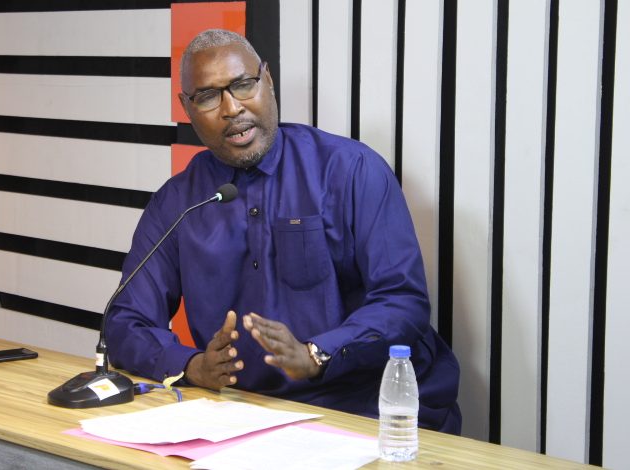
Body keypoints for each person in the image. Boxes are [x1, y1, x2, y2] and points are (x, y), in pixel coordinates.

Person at [106, 29, 461, 434]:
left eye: (243, 85)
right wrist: (192, 365)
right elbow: (125, 321)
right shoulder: (178, 202)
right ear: (187, 108)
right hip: (248, 415)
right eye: (207, 97)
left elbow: (403, 301)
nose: (232, 108)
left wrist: (317, 354)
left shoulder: (351, 171)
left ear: (268, 81)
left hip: (365, 408)